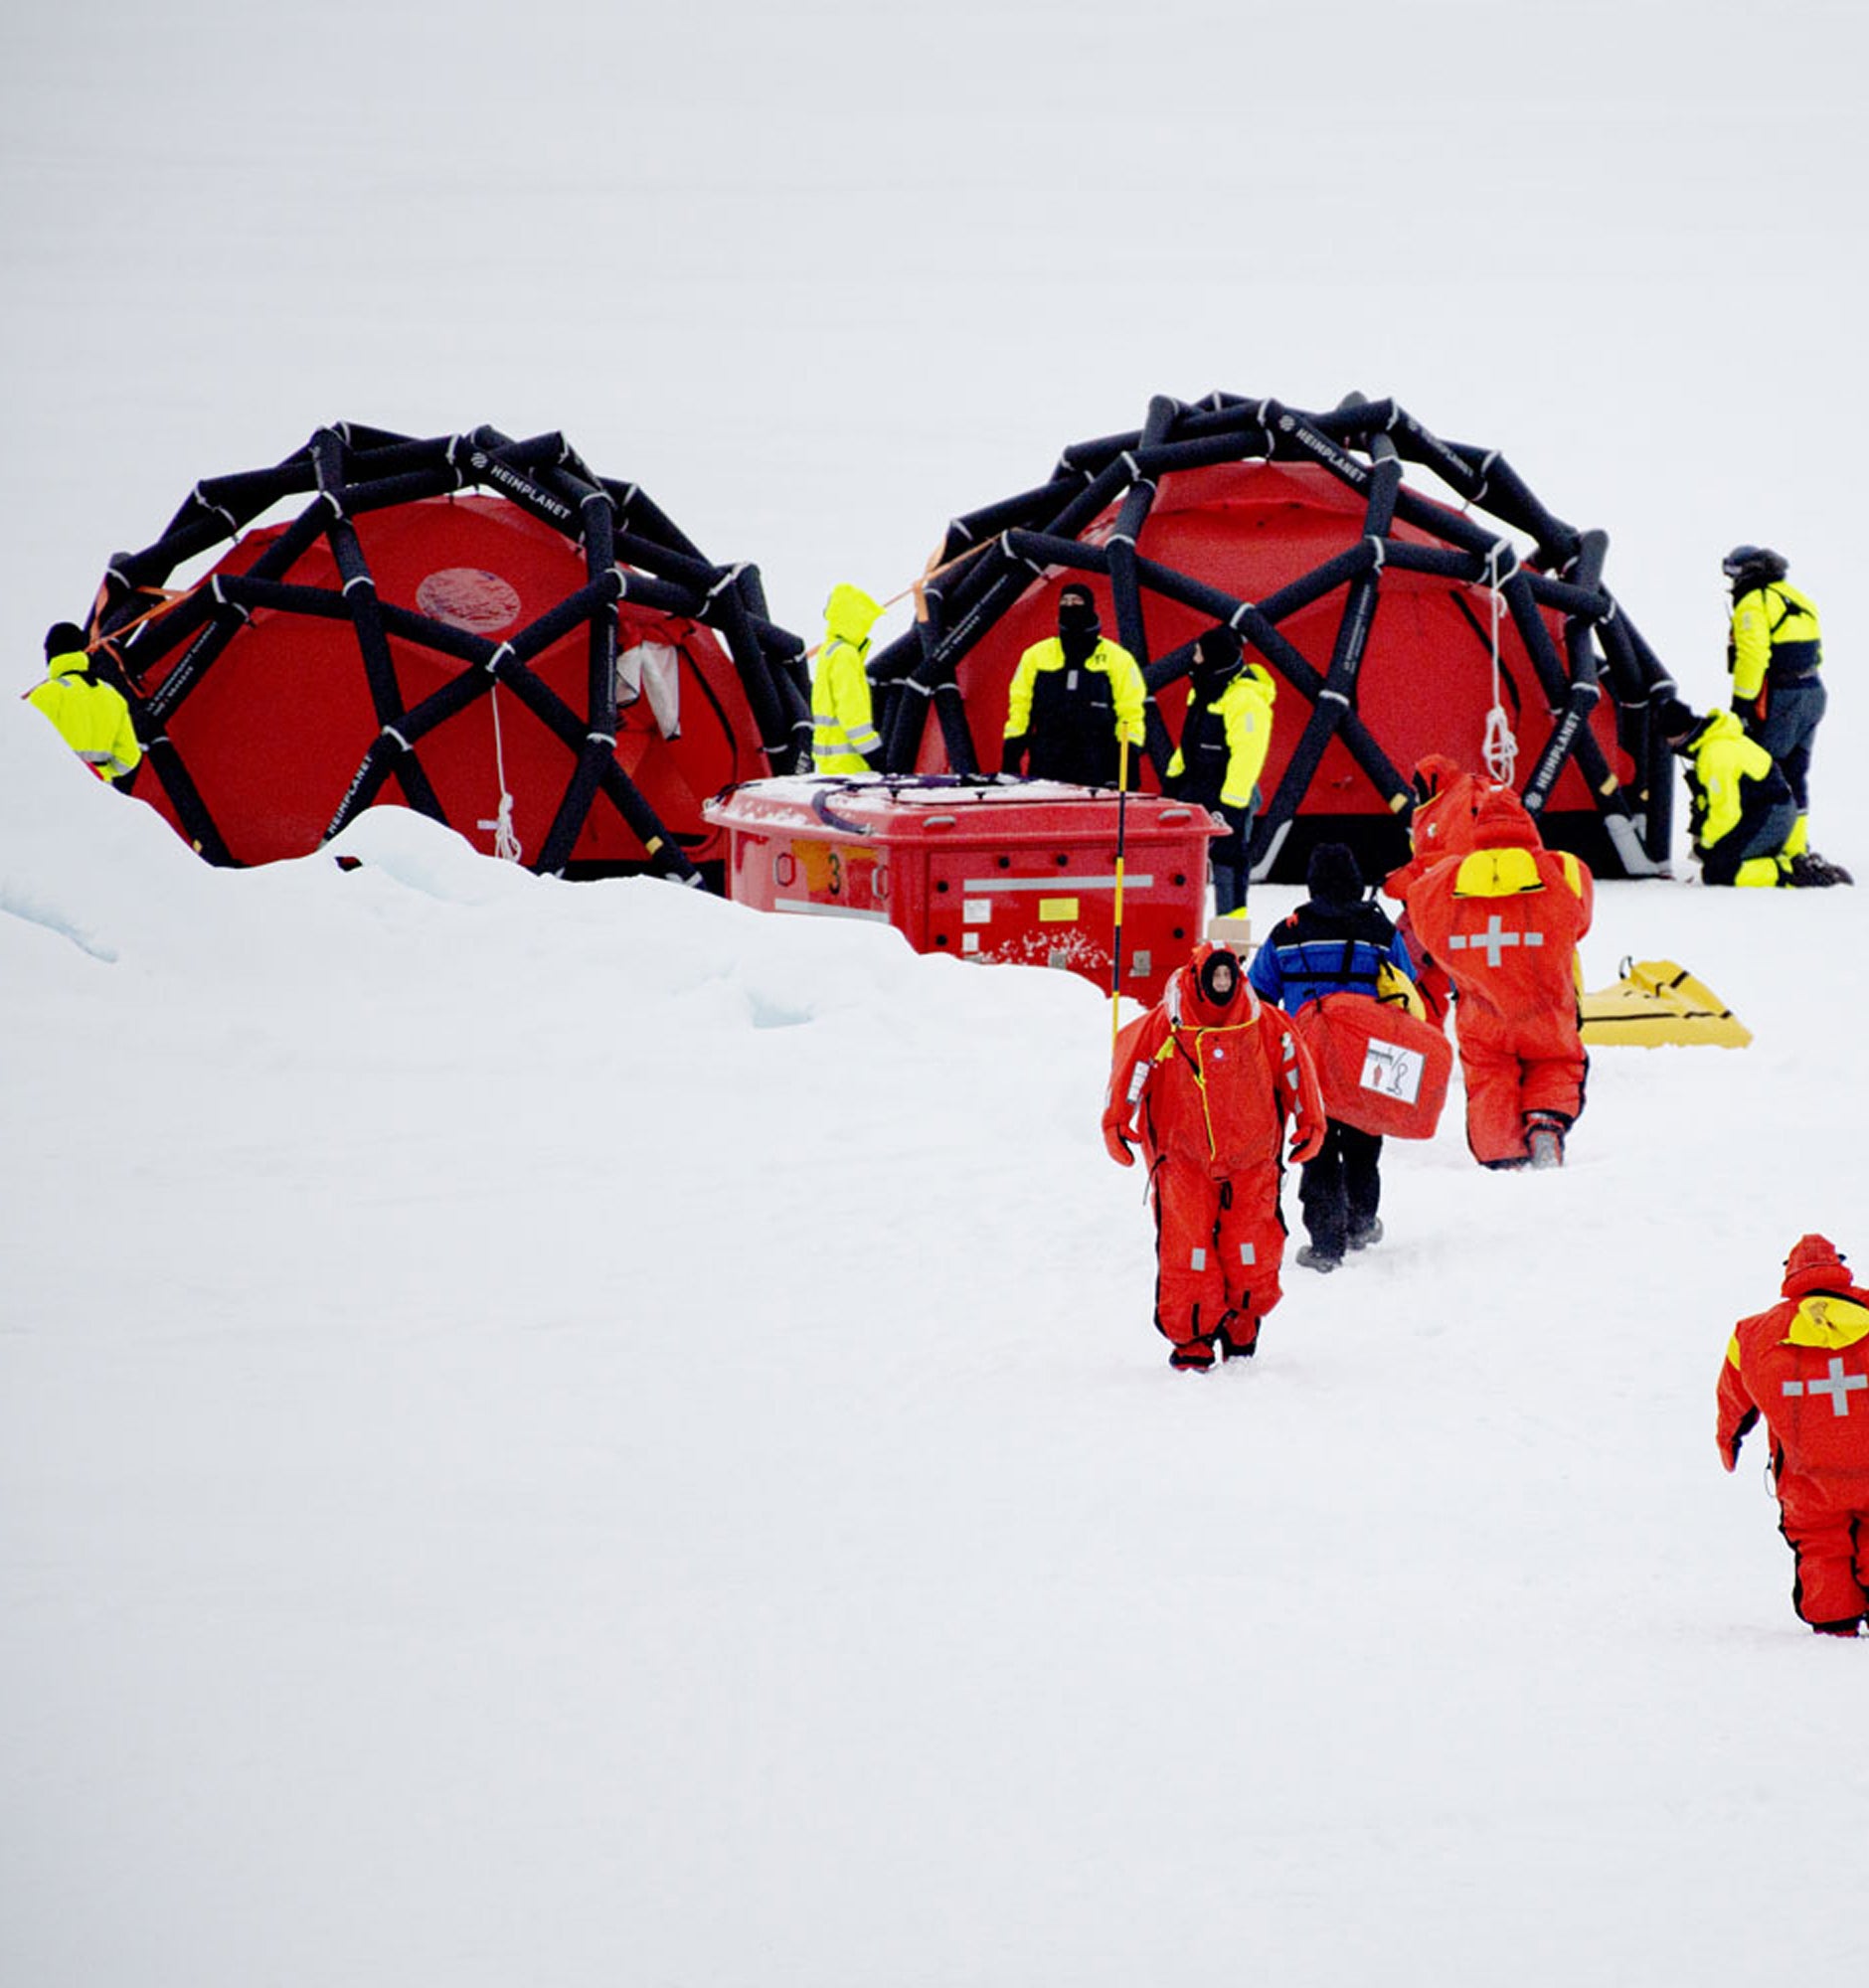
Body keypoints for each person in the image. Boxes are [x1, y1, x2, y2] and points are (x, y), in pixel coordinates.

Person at [1102, 941, 1325, 1372]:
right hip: (1183, 1160)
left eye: (1228, 977)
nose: (1222, 985)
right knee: (1189, 1250)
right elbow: (1133, 1068)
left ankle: (1243, 1324)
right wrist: (1117, 1121)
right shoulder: (1165, 1024)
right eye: (1215, 977)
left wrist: (1310, 1122)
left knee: (1251, 1246)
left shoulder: (1265, 1023)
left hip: (1253, 1160)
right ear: (1201, 978)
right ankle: (1193, 1339)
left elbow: (1297, 1070)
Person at [1249, 844, 1417, 1271]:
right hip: (1367, 1059)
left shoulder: (1287, 932)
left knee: (1316, 1147)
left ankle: (1325, 1244)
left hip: (1307, 1061)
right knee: (1364, 1143)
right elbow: (1408, 986)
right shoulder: (1378, 930)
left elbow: (1260, 996)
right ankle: (1361, 1221)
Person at [1404, 788, 1593, 1169]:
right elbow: (1580, 923)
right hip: (1546, 1006)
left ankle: (1502, 1158)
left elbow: (1420, 911)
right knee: (1555, 1062)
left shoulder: (1447, 879)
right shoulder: (1561, 868)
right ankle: (1545, 1124)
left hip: (1482, 1011)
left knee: (1489, 1076)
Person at [1717, 1235, 1869, 1637]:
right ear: (1839, 1265)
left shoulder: (1752, 1335)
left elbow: (1733, 1399)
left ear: (1789, 1272)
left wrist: (1727, 1441)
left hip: (1807, 1476)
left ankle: (1835, 1629)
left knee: (1821, 1544)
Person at [1722, 545, 1844, 879]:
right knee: (1796, 770)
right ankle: (1795, 846)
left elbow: (1752, 655)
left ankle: (1768, 844)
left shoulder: (1753, 602)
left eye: (1732, 575)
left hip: (1782, 696)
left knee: (1767, 770)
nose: (1730, 585)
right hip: (1813, 692)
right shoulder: (1797, 597)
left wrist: (1742, 706)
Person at [1164, 624, 1275, 915]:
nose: (1194, 658)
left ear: (1213, 656)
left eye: (1199, 652)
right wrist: (1174, 777)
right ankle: (1184, 927)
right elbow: (1187, 741)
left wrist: (1233, 806)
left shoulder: (1245, 700)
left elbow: (1247, 755)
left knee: (1229, 864)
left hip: (1230, 794)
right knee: (1184, 863)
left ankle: (1231, 938)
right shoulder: (1203, 689)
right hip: (1197, 787)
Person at [1000, 580, 1148, 789]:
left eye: (1076, 601)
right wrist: (1012, 751)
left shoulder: (1117, 658)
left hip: (1098, 763)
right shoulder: (1036, 655)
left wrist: (1128, 757)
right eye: (1065, 602)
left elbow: (1130, 710)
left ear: (1089, 606)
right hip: (1048, 760)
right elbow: (1020, 705)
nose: (1070, 606)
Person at [1653, 695, 1801, 888]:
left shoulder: (1714, 754)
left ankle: (1789, 872)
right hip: (1764, 811)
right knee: (1718, 860)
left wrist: (1705, 844)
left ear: (1679, 733)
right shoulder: (1714, 738)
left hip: (1771, 816)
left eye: (1668, 738)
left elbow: (1726, 812)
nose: (1668, 745)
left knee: (1720, 871)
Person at [26, 621, 142, 784]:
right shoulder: (111, 694)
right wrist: (103, 773)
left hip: (51, 783)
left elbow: (26, 747)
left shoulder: (43, 695)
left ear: (50, 654)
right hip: (95, 788)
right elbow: (129, 756)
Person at [810, 582, 886, 773]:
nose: (867, 629)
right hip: (849, 767)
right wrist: (877, 757)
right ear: (854, 620)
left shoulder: (829, 651)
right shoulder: (845, 655)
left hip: (831, 765)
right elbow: (852, 715)